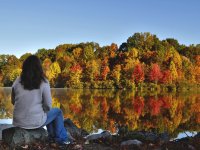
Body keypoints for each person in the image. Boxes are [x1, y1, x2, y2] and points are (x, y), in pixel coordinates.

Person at [11, 55, 70, 146]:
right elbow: (48, 105)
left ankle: (52, 137)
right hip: (35, 122)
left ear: (24, 67)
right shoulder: (43, 82)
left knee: (48, 113)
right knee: (57, 111)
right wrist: (42, 111)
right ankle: (61, 139)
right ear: (39, 67)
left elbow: (13, 101)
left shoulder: (17, 81)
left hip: (18, 122)